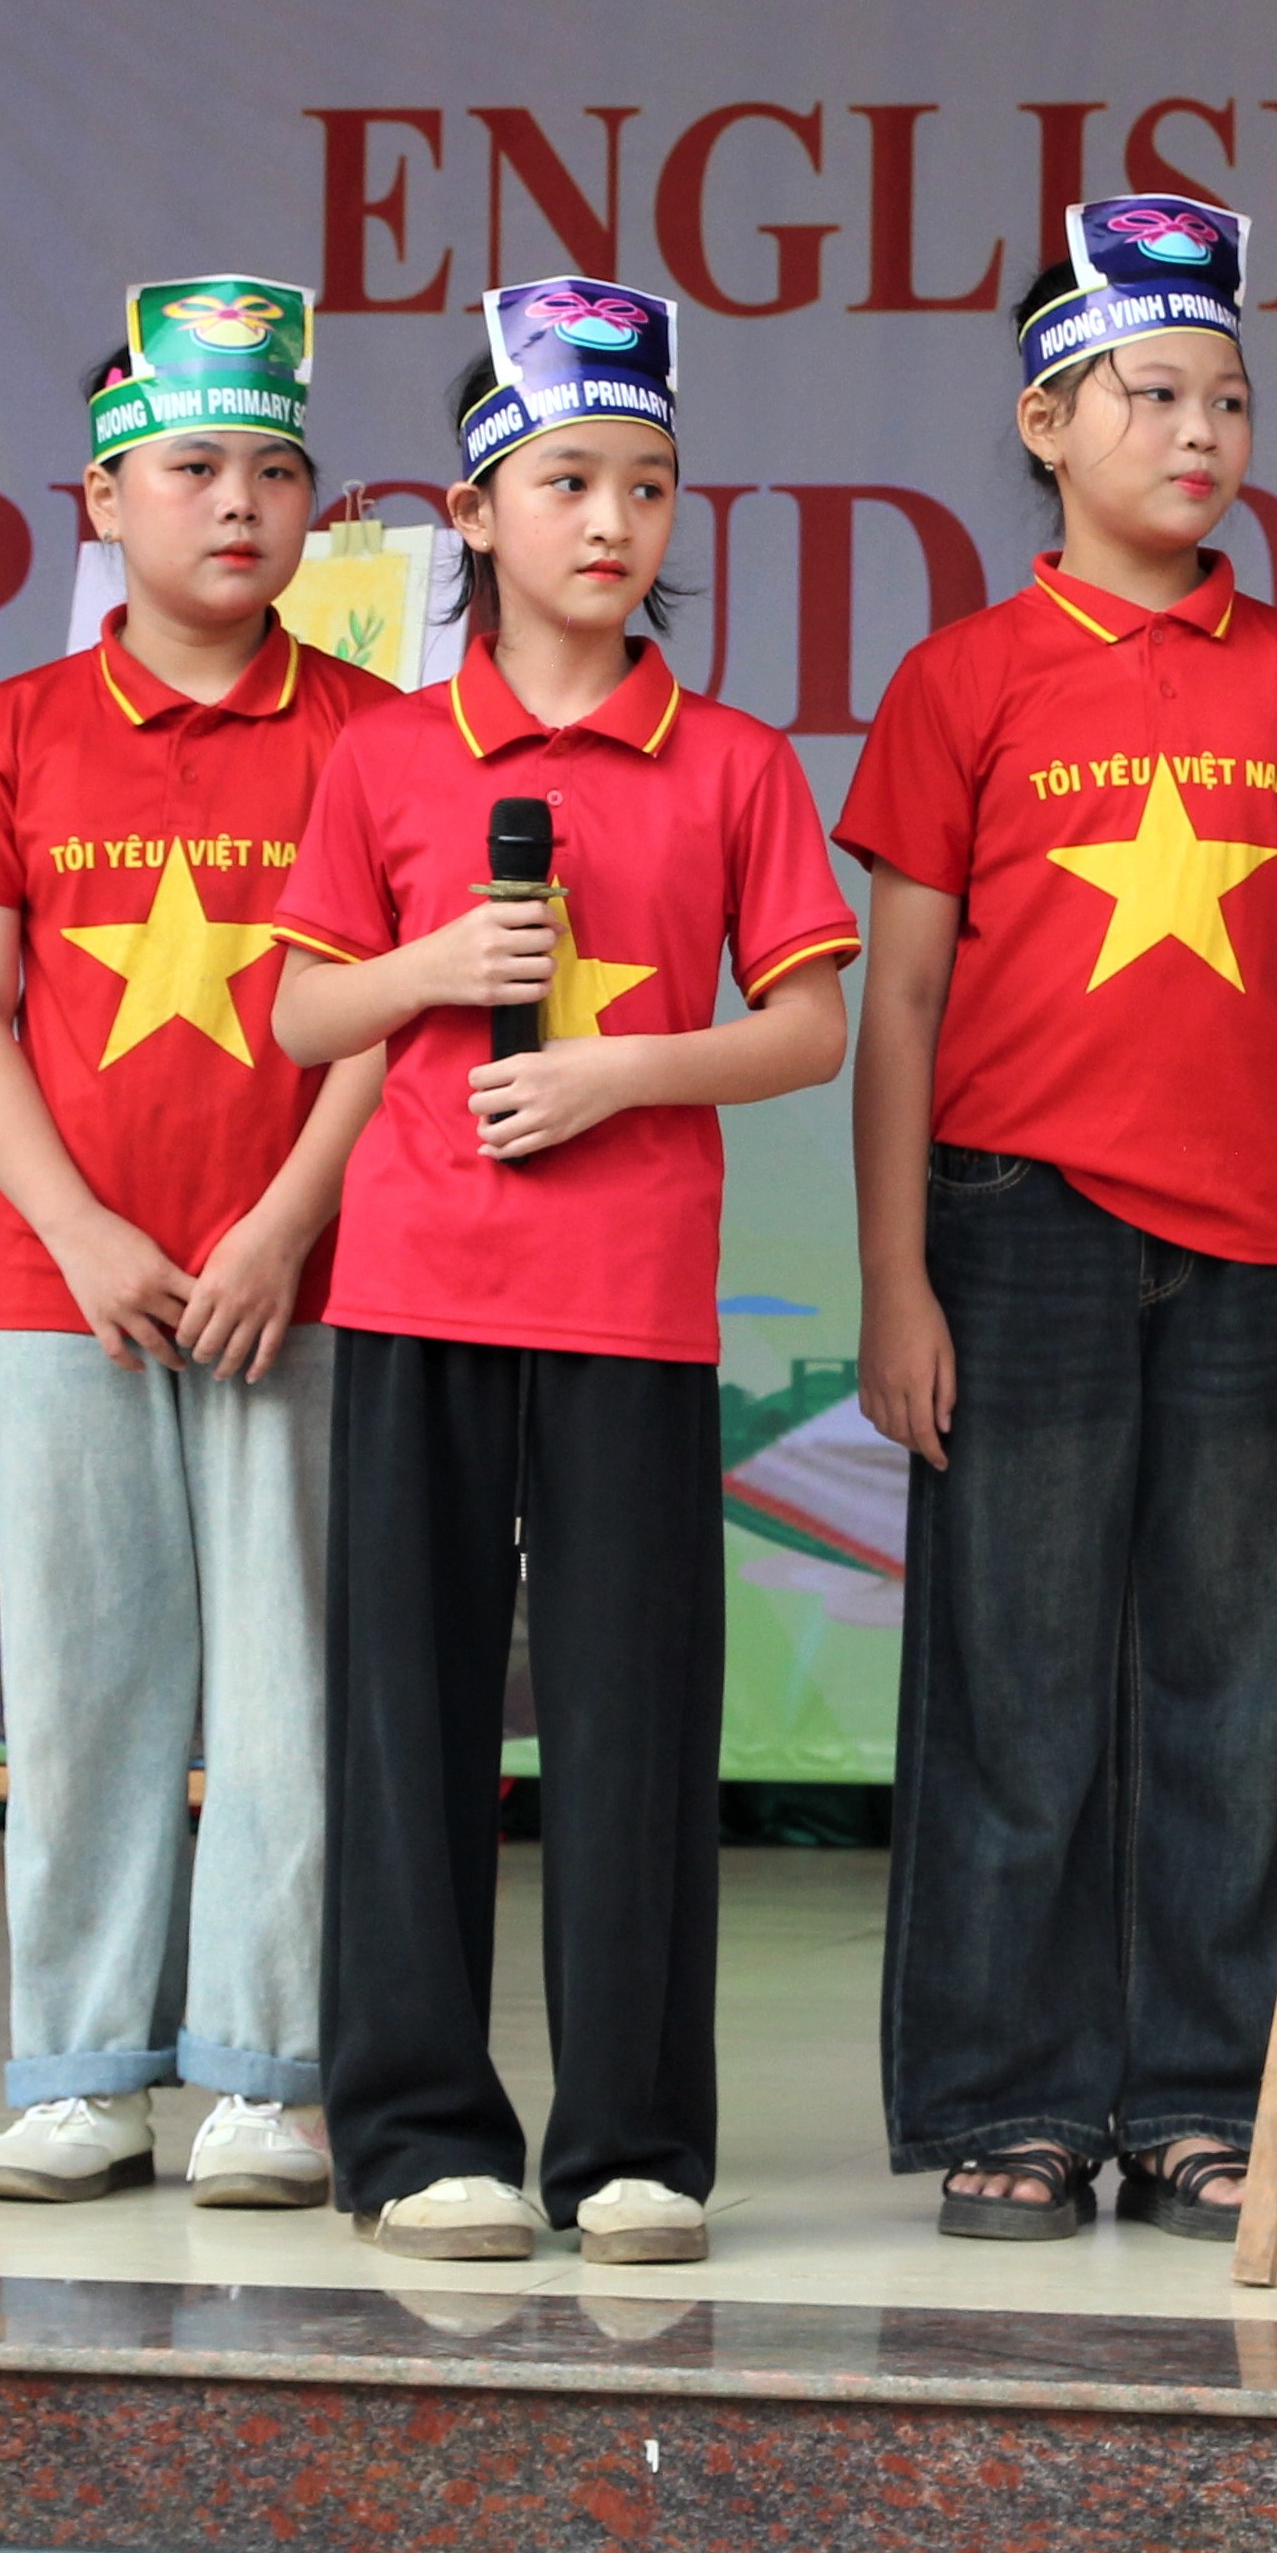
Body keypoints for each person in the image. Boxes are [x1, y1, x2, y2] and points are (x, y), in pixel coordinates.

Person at [269, 275, 855, 2268]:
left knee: (630, 1724)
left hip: (630, 1299)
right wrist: (435, 970)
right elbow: (297, 1014)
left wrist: (621, 1069)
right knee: (408, 1720)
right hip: (418, 1285)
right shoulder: (386, 757)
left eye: (648, 486)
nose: (612, 522)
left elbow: (809, 1026)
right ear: (471, 512)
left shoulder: (733, 762)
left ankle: (631, 2142)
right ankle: (417, 2131)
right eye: (568, 481)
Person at [840, 196, 1277, 2244]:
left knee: (1236, 1686)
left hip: (1249, 1237)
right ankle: (1013, 2093)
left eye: (1227, 397)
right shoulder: (962, 678)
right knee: (1015, 1680)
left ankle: (1205, 2094)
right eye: (1151, 394)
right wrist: (895, 1277)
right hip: (1015, 1227)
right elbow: (896, 1000)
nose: (1199, 432)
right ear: (1045, 423)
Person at [0, 279, 391, 2216]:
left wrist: (285, 1222)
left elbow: (393, 1018)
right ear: (100, 501)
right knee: (92, 1678)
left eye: (273, 469)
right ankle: (83, 2073)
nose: (237, 505)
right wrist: (81, 1229)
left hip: (304, 1284)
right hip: (71, 1294)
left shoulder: (370, 732)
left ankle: (271, 2077)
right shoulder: (13, 731)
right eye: (191, 467)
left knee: (288, 1686)